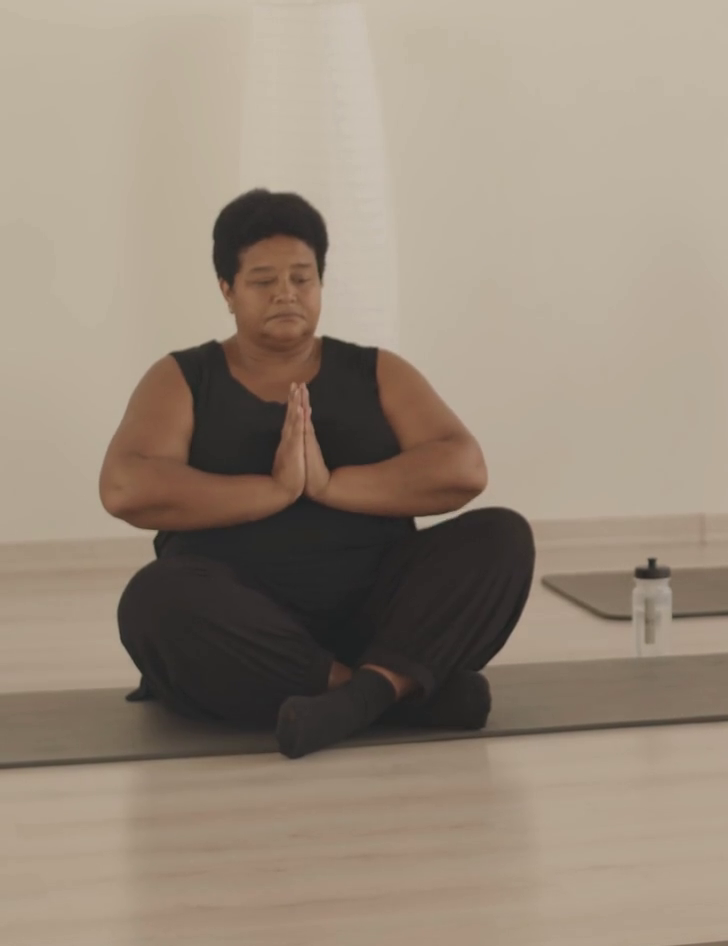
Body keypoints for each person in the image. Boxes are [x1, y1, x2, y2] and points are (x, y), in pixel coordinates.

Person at [101, 189, 534, 759]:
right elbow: (125, 485)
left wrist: (327, 485)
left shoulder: (377, 371)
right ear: (227, 290)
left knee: (502, 537)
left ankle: (354, 698)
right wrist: (272, 491)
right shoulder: (185, 377)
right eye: (263, 280)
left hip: (376, 614)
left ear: (321, 284)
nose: (286, 292)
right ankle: (387, 691)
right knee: (153, 599)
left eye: (302, 278)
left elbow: (464, 467)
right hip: (247, 626)